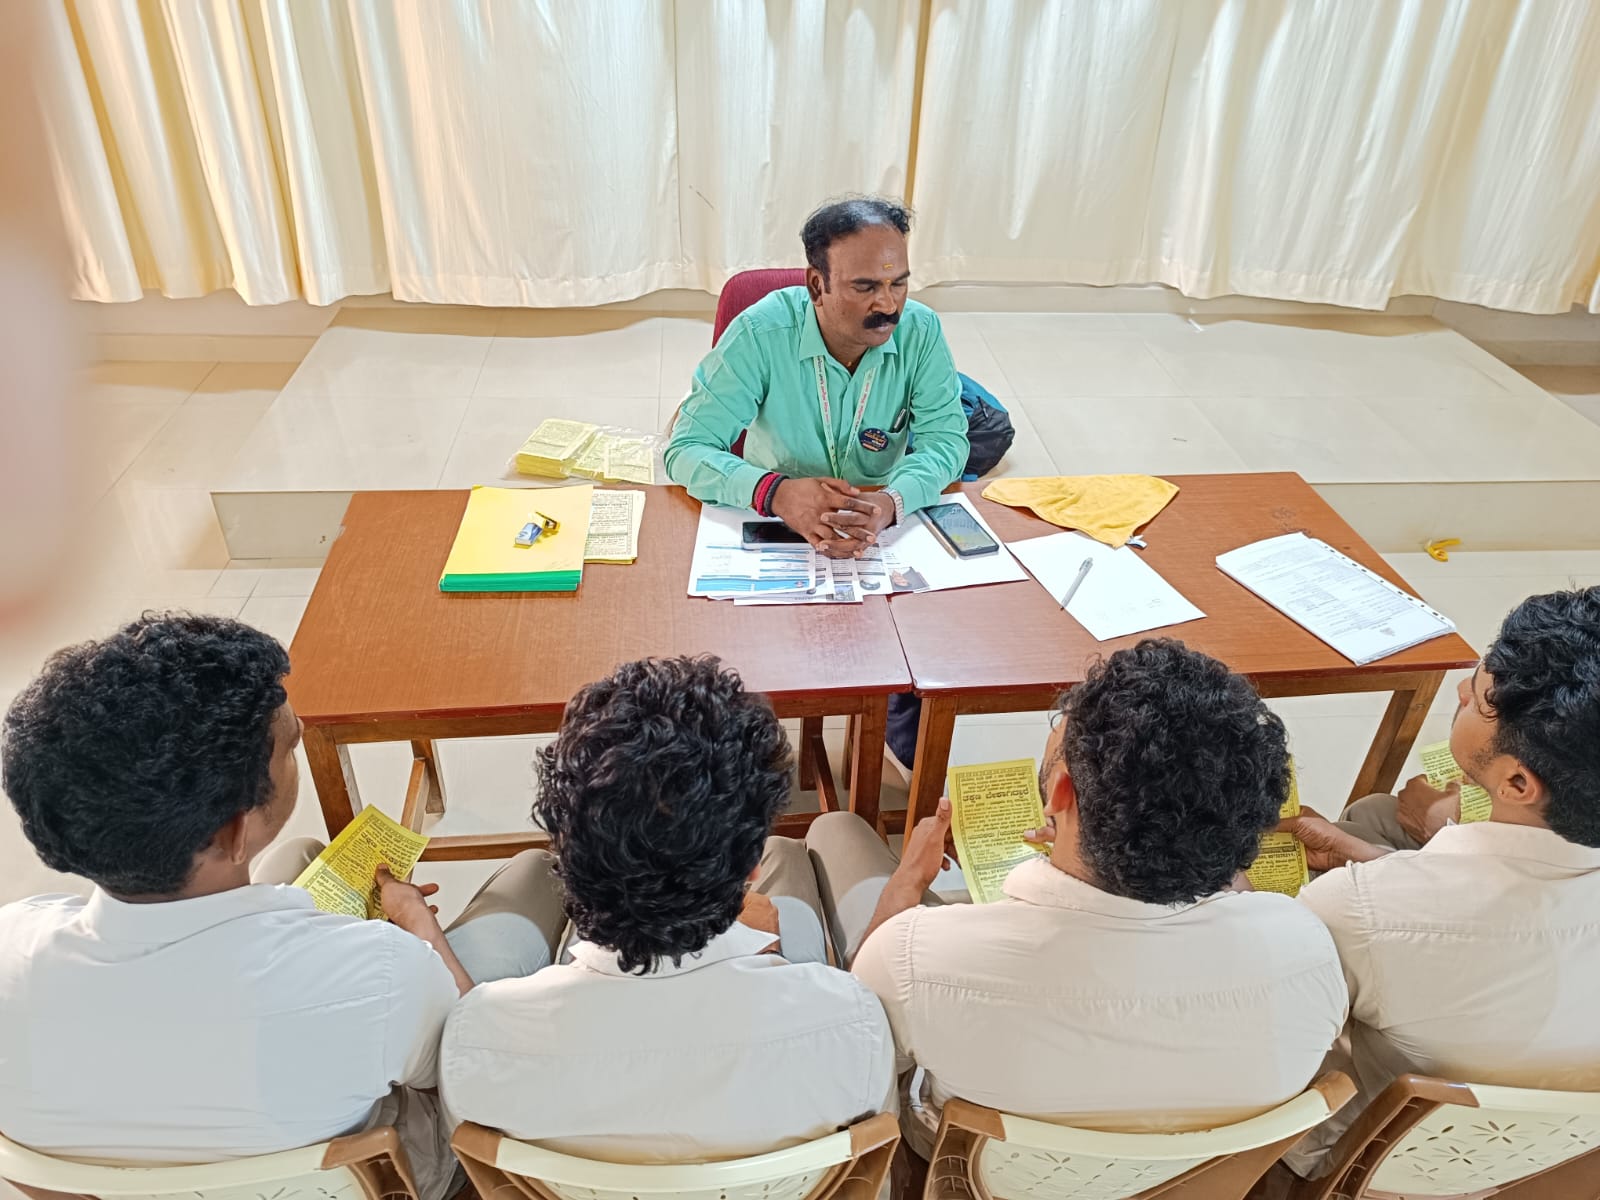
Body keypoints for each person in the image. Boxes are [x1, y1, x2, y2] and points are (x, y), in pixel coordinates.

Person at [0, 613, 556, 1200]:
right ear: (235, 831)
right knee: (530, 877)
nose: (302, 733)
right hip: (387, 1171)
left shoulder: (12, 947)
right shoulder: (384, 971)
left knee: (301, 856)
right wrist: (421, 931)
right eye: (291, 746)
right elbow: (465, 1073)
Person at [807, 638, 1348, 1158]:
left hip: (967, 1169)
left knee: (837, 830)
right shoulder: (1308, 947)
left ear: (1061, 792)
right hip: (1186, 1178)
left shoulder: (915, 955)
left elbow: (856, 1041)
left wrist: (906, 882)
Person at [441, 656, 894, 1162]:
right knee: (800, 866)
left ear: (566, 857)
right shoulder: (849, 1024)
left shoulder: (477, 1037)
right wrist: (773, 961)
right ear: (751, 868)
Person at [1278, 586, 1600, 1176]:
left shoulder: (1353, 911)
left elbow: (1279, 1029)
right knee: (1374, 814)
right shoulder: (1372, 908)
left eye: (1480, 698)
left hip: (1376, 1162)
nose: (1460, 690)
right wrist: (1382, 858)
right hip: (1553, 1156)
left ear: (1518, 783)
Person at [665, 196, 968, 772]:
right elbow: (685, 449)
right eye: (865, 287)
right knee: (742, 675)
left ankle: (893, 751)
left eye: (899, 283)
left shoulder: (921, 331)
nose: (888, 305)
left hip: (879, 526)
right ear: (816, 285)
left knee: (930, 650)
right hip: (778, 519)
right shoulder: (761, 333)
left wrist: (890, 501)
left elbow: (947, 443)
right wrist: (776, 492)